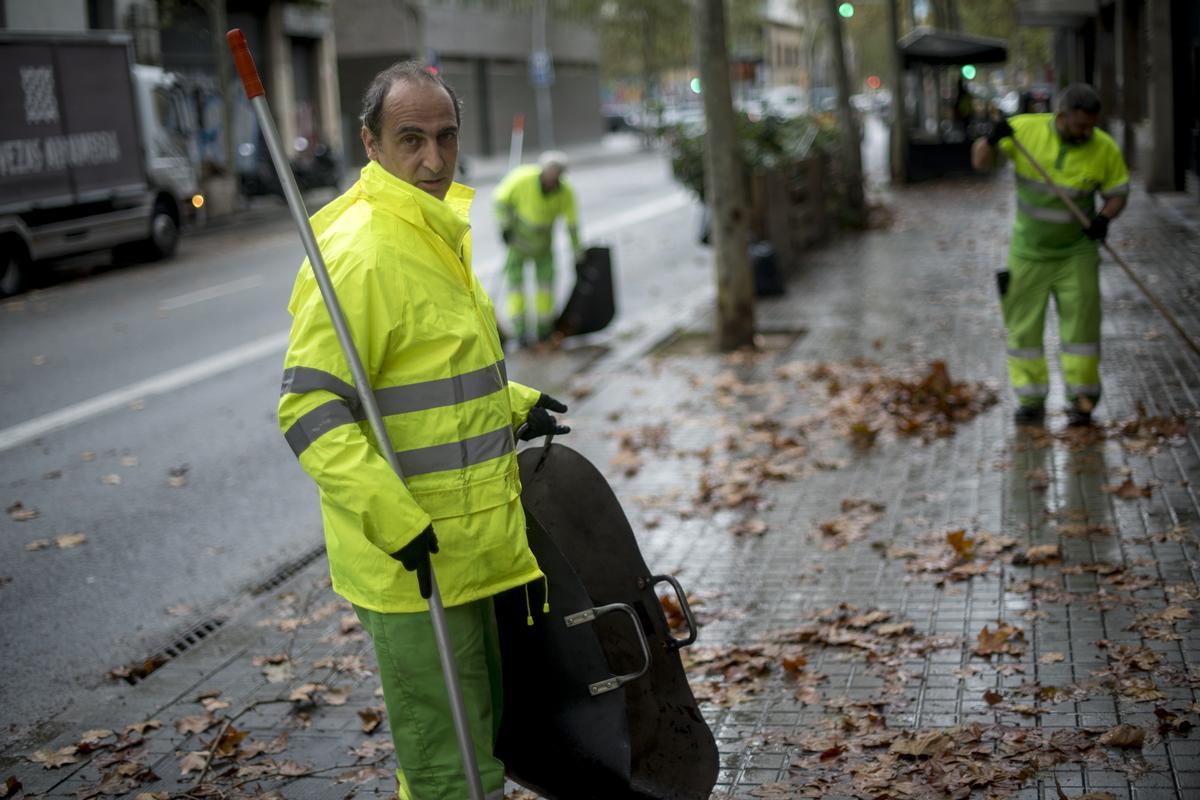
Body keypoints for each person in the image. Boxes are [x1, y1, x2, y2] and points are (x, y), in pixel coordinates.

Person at [277, 62, 570, 800]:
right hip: (415, 567)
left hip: (470, 552)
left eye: (445, 137)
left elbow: (432, 377)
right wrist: (396, 520)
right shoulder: (363, 253)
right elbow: (310, 412)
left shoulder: (430, 232)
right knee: (451, 774)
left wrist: (513, 404)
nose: (433, 160)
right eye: (411, 140)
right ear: (371, 144)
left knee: (478, 752)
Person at [971, 83, 1129, 426]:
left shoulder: (1103, 148)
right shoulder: (1026, 130)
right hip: (1028, 253)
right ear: (1061, 116)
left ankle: (1082, 399)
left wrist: (1104, 218)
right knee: (1023, 330)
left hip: (1077, 253)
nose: (1086, 133)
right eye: (1079, 126)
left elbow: (1118, 193)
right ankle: (1030, 401)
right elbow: (980, 162)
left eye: (1090, 126)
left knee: (1082, 330)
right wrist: (991, 139)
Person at [494, 151, 583, 344]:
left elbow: (572, 224)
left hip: (543, 247)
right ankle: (520, 332)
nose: (551, 183)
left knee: (545, 286)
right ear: (542, 172)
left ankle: (544, 329)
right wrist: (505, 227)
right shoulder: (521, 179)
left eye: (556, 179)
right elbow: (500, 200)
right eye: (549, 178)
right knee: (516, 287)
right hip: (518, 244)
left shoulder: (565, 192)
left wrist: (577, 251)